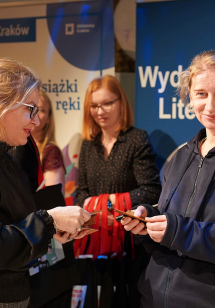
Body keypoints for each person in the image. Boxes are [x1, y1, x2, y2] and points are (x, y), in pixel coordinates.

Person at [121, 50, 215, 308]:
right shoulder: (181, 156)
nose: (210, 106)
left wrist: (175, 230)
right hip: (152, 296)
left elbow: (178, 228)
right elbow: (169, 215)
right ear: (190, 96)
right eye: (201, 94)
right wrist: (147, 219)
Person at [0, 57, 91, 307]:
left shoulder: (11, 157)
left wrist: (49, 228)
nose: (37, 121)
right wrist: (50, 221)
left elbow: (15, 222)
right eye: (30, 109)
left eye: (38, 110)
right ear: (3, 104)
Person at [76, 75, 161, 307]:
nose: (100, 111)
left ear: (120, 102)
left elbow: (151, 191)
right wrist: (101, 208)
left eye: (107, 103)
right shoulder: (87, 144)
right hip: (96, 242)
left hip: (130, 243)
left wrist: (107, 202)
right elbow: (80, 195)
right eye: (94, 106)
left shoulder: (136, 139)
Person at [31, 90, 65, 194]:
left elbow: (52, 201)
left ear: (49, 118)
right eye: (31, 108)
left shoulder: (51, 152)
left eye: (40, 110)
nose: (34, 114)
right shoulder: (12, 146)